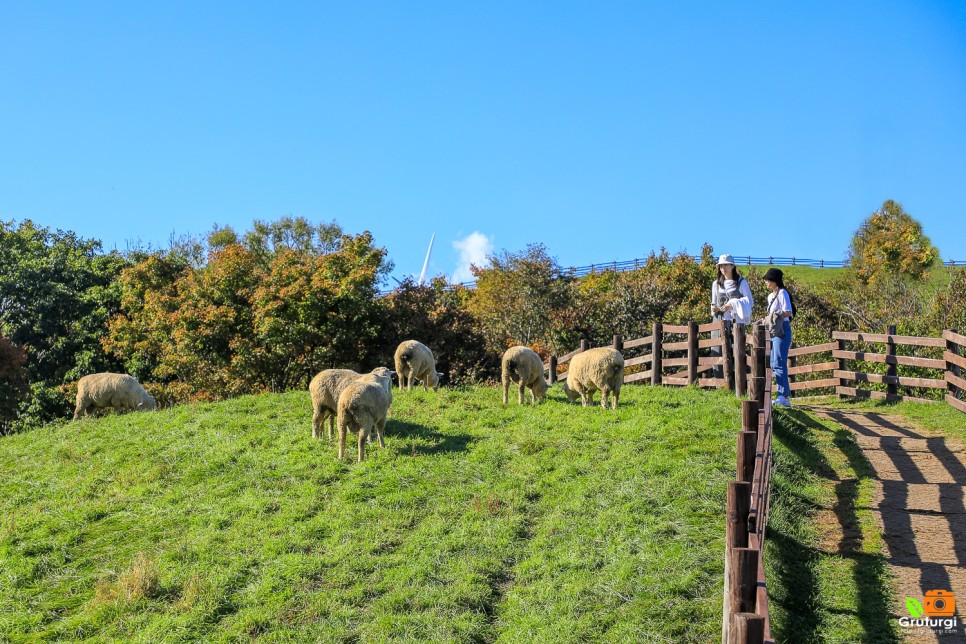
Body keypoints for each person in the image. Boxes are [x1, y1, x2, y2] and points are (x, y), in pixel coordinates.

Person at [710, 254, 753, 378]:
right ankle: (720, 383)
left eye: (725, 265)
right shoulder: (716, 284)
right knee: (717, 351)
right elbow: (713, 302)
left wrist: (733, 304)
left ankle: (737, 382)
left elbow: (750, 302)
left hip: (735, 323)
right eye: (721, 266)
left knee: (736, 351)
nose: (723, 268)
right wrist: (714, 307)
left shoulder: (741, 282)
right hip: (718, 322)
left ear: (732, 266)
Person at [762, 267, 795, 407]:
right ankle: (783, 394)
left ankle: (783, 395)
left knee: (779, 362)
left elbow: (789, 312)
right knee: (774, 362)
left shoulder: (782, 293)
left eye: (768, 280)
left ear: (775, 281)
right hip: (775, 331)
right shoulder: (770, 296)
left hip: (782, 329)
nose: (766, 282)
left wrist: (775, 316)